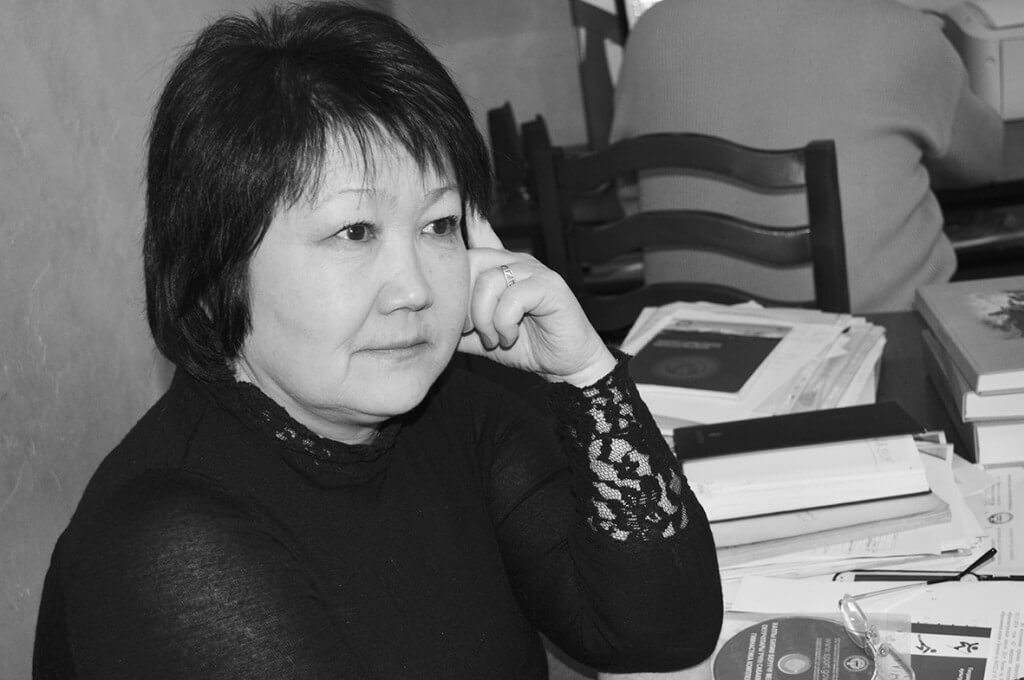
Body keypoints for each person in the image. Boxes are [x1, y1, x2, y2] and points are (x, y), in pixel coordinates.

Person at [32, 3, 723, 678]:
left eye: (439, 225)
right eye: (355, 232)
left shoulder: (448, 404)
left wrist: (585, 374)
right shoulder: (164, 544)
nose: (415, 289)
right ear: (219, 267)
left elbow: (661, 631)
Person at [611, 0, 1004, 313]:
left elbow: (632, 199)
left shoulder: (651, 31)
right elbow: (983, 162)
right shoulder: (904, 32)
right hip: (884, 345)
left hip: (694, 354)